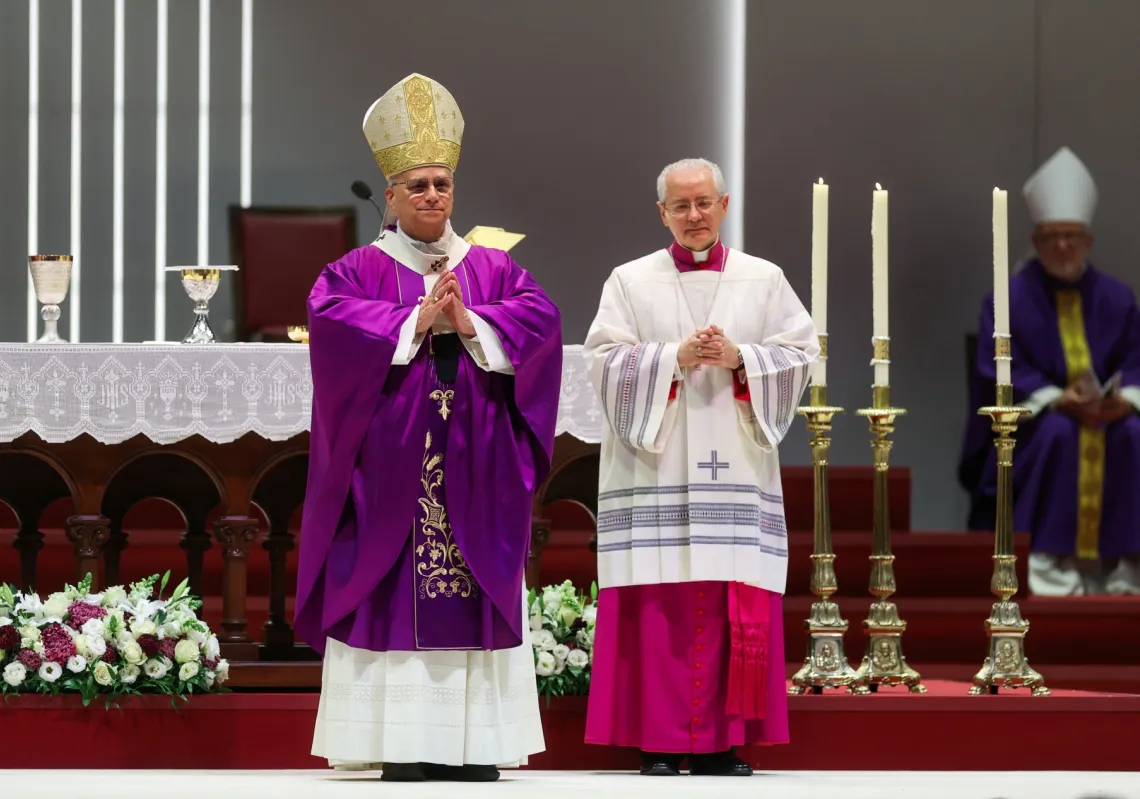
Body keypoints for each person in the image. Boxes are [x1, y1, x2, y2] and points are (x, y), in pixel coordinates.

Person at [294, 73, 563, 782]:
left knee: (474, 586)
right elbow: (331, 325)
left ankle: (474, 744)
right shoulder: (355, 271)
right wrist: (415, 319)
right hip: (390, 473)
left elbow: (541, 326)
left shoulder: (495, 269)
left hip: (478, 468)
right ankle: (402, 740)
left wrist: (471, 320)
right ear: (390, 195)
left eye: (441, 183)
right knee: (389, 587)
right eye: (417, 185)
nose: (432, 196)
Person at [582, 158, 818, 776]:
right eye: (680, 206)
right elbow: (601, 361)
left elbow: (802, 355)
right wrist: (671, 358)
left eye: (703, 203)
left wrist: (743, 358)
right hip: (654, 471)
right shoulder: (630, 281)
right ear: (662, 212)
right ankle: (658, 743)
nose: (693, 216)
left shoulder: (763, 280)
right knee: (661, 605)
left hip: (733, 472)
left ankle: (722, 744)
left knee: (729, 599)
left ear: (724, 203)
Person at [959, 146, 1140, 596]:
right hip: (1040, 423)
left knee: (1132, 435)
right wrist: (1056, 398)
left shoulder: (1117, 298)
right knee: (1060, 431)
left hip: (1109, 416)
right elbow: (997, 369)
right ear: (1036, 241)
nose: (1062, 245)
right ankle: (1051, 566)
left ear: (1088, 241)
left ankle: (1125, 567)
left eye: (1072, 236)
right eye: (1052, 235)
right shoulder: (1008, 299)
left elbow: (1136, 357)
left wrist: (1124, 399)